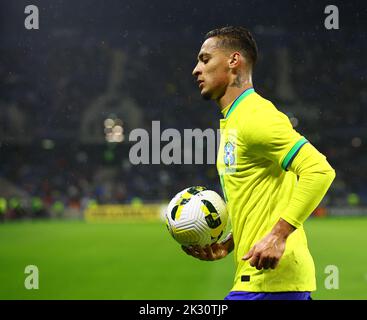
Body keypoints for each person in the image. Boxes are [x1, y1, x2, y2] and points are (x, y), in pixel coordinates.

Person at [183, 26, 336, 300]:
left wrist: (278, 235)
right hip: (271, 279)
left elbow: (319, 170)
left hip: (269, 282)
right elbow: (258, 195)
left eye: (205, 59)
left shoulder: (256, 115)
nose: (196, 69)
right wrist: (229, 244)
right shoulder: (236, 119)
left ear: (234, 61)